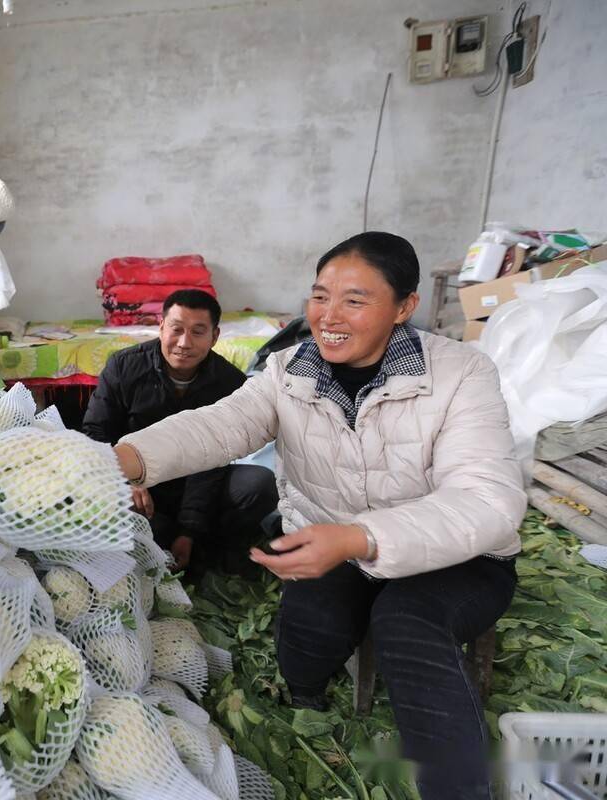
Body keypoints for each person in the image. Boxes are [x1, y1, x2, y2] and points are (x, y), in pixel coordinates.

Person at [112, 232, 525, 800]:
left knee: (405, 621)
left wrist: (360, 537)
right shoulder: (288, 373)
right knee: (306, 644)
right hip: (330, 540)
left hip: (459, 555)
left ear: (404, 307)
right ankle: (308, 694)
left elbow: (488, 502)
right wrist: (129, 458)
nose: (330, 315)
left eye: (355, 300)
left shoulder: (461, 374)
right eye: (320, 295)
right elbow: (218, 425)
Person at [83, 288, 277, 578]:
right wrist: (127, 477)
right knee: (134, 520)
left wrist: (189, 528)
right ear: (161, 327)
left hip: (200, 485)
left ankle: (210, 548)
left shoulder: (230, 382)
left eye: (198, 332)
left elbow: (215, 459)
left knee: (258, 484)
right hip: (141, 487)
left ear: (215, 336)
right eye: (176, 329)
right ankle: (176, 549)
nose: (184, 343)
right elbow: (95, 434)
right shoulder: (123, 367)